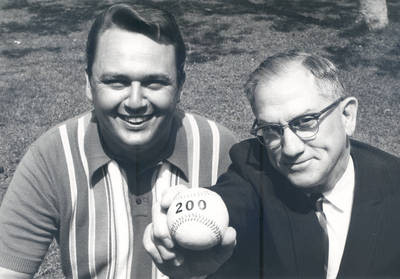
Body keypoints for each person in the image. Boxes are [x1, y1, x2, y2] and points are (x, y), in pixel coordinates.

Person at [0, 3, 237, 278]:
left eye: (155, 82)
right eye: (116, 81)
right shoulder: (53, 156)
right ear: (89, 84)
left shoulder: (221, 150)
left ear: (180, 85)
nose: (135, 102)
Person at [146, 51, 400, 278]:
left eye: (306, 122)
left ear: (347, 116)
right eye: (271, 130)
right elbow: (232, 199)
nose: (290, 148)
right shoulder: (253, 165)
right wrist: (191, 221)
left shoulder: (394, 186)